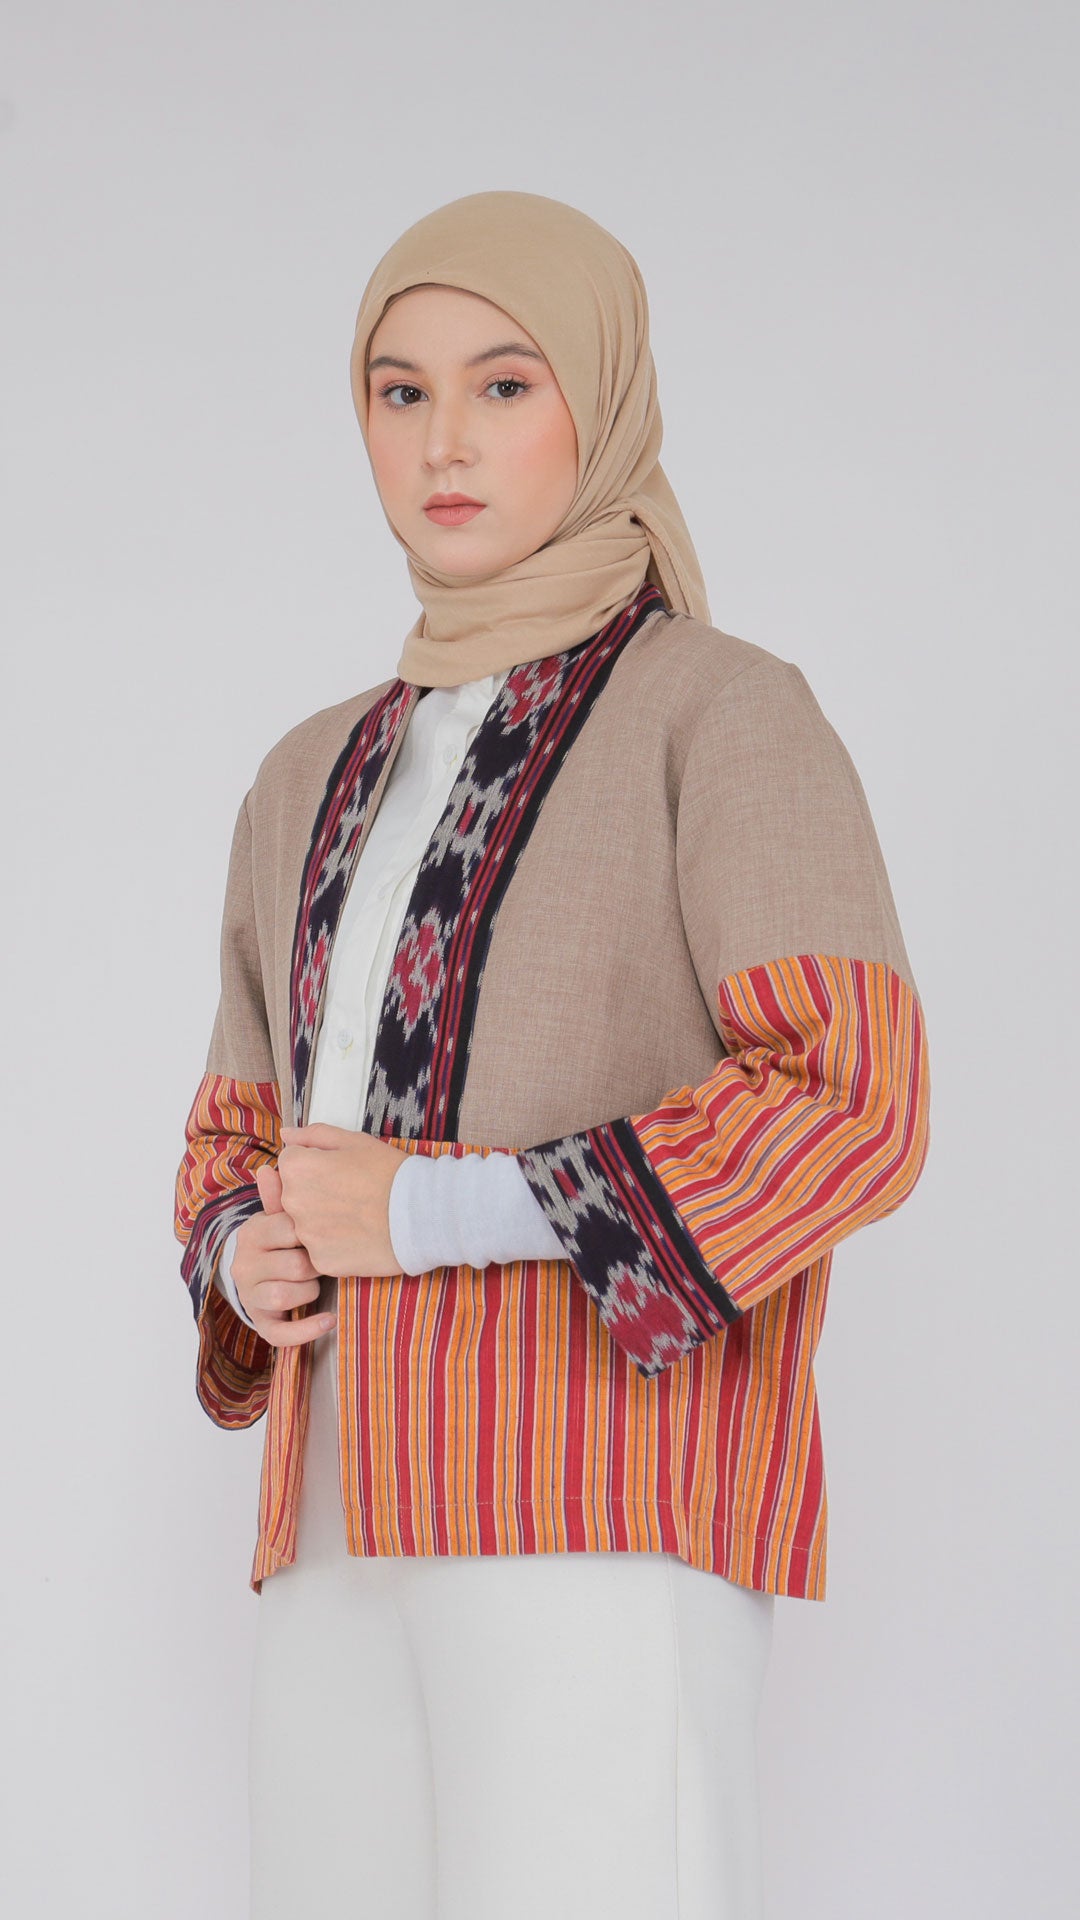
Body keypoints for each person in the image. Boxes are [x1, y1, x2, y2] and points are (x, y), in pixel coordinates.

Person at [174, 190, 930, 1920]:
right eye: (400, 391)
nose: (443, 440)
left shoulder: (722, 715)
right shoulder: (306, 773)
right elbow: (234, 1127)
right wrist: (247, 1250)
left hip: (597, 1501)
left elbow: (852, 1100)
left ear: (604, 399)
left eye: (504, 385)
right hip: (335, 1520)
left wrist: (430, 1214)